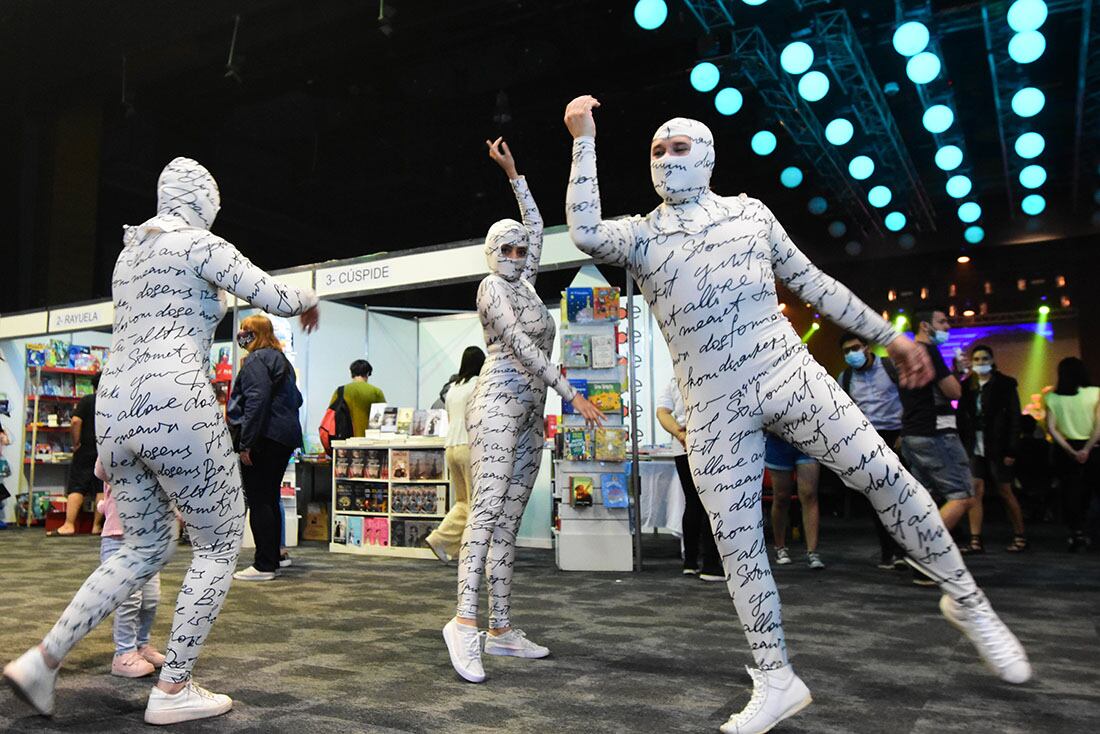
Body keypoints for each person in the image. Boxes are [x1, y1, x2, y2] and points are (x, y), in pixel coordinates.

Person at [562, 97, 1029, 734]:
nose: (668, 160)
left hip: (787, 373)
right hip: (711, 403)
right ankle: (775, 677)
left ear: (709, 155)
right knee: (740, 548)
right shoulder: (641, 235)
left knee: (888, 478)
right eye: (657, 151)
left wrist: (893, 338)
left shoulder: (751, 215)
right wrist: (584, 138)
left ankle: (968, 600)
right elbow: (585, 233)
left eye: (680, 147)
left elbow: (814, 283)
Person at [3, 157, 319, 725]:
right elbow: (273, 296)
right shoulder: (200, 243)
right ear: (202, 202)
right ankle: (173, 688)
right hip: (174, 400)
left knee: (142, 547)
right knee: (221, 542)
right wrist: (310, 297)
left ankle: (43, 661)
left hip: (116, 405)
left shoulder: (130, 253)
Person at [443, 137, 604, 684]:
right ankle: (464, 623)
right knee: (485, 514)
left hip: (529, 412)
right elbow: (521, 347)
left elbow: (534, 226)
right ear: (491, 255)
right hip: (497, 406)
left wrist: (515, 174)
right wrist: (570, 391)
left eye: (518, 252)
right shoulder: (493, 288)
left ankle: (501, 628)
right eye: (505, 250)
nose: (515, 257)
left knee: (508, 522)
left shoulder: (528, 287)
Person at [897, 308, 976, 575]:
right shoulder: (929, 352)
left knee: (926, 501)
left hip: (913, 435)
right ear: (925, 325)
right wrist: (959, 377)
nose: (947, 327)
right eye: (942, 322)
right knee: (962, 495)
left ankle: (919, 557)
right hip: (936, 434)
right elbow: (953, 391)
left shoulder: (907, 353)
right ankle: (925, 554)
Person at [227, 314, 305, 582]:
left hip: (264, 438)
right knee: (270, 499)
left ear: (256, 333)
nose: (241, 334)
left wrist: (246, 442)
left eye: (246, 330)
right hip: (283, 438)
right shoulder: (281, 360)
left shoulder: (256, 360)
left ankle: (264, 564)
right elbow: (297, 398)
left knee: (260, 500)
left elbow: (255, 402)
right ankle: (274, 556)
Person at [837, 332, 907, 569]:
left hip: (897, 435)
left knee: (903, 496)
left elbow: (909, 399)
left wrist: (905, 433)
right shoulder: (845, 378)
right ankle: (889, 553)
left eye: (855, 348)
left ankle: (905, 550)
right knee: (878, 499)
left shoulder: (889, 367)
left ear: (867, 347)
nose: (851, 354)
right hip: (868, 440)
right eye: (846, 351)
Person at [95, 458, 167, 678]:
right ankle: (123, 653)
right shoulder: (117, 443)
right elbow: (102, 470)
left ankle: (141, 645)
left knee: (151, 598)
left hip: (148, 539)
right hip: (119, 538)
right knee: (129, 599)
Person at [957, 345, 1027, 553]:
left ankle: (1020, 535)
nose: (980, 362)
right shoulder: (967, 385)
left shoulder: (1005, 385)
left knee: (1005, 490)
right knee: (975, 489)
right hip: (974, 444)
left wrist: (1012, 449)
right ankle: (975, 539)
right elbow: (961, 416)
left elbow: (1015, 418)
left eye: (984, 358)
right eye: (976, 359)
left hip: (998, 444)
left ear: (992, 359)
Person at [656, 376, 723, 581]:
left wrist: (680, 434)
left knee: (693, 502)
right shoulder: (714, 373)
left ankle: (690, 561)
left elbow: (662, 412)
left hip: (682, 446)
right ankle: (711, 564)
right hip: (711, 443)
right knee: (711, 504)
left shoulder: (674, 378)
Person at [425, 346, 486, 562]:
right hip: (470, 448)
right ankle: (473, 552)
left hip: (451, 448)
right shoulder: (479, 385)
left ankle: (439, 539)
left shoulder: (453, 388)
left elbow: (451, 419)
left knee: (463, 502)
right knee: (478, 504)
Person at [1043, 357, 1100, 551]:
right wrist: (1087, 449)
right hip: (1093, 448)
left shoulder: (1051, 397)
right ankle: (1092, 532)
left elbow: (1051, 428)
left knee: (1070, 493)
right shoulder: (1095, 393)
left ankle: (1076, 533)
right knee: (1093, 492)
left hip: (1065, 450)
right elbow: (1099, 426)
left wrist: (1070, 450)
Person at [51, 373, 104, 536]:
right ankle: (97, 526)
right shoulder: (112, 403)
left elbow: (75, 421)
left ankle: (69, 525)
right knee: (101, 488)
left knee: (77, 486)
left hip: (85, 449)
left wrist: (76, 443)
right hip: (103, 450)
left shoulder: (87, 400)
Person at [765, 434, 824, 570]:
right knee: (781, 497)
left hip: (807, 440)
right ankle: (780, 548)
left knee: (810, 495)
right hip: (778, 441)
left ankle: (812, 552)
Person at [332, 360, 385, 439]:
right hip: (369, 441)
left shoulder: (340, 391)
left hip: (344, 441)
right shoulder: (376, 391)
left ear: (351, 373)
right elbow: (382, 417)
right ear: (367, 373)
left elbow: (331, 414)